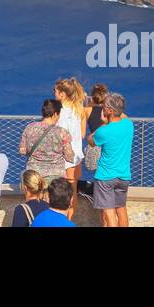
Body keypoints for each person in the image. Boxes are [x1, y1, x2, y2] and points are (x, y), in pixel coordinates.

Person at [87, 90, 133, 227]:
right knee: (121, 210)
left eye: (105, 107)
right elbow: (123, 115)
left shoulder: (103, 130)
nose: (102, 108)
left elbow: (90, 140)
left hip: (106, 177)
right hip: (123, 176)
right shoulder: (128, 125)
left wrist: (103, 123)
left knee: (109, 213)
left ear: (110, 110)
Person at [19, 99, 74, 186]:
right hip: (56, 177)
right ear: (55, 114)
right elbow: (69, 156)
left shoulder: (29, 128)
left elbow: (22, 151)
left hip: (34, 175)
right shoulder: (62, 132)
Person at [54, 77, 87, 217]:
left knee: (59, 194)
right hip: (77, 157)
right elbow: (83, 134)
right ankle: (69, 221)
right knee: (72, 192)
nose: (54, 94)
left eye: (55, 91)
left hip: (63, 158)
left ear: (62, 94)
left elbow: (57, 136)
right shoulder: (80, 110)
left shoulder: (59, 113)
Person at [82, 83, 108, 177]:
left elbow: (83, 109)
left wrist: (85, 99)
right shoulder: (108, 110)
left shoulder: (87, 110)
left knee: (98, 174)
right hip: (107, 146)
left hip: (94, 145)